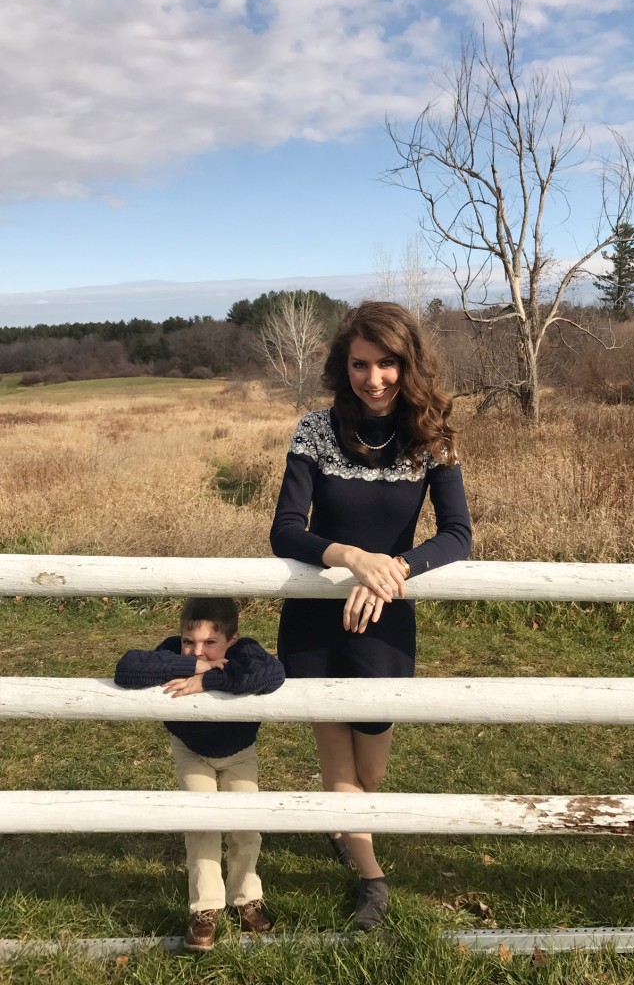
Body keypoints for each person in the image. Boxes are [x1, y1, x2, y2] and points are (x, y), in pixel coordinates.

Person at [270, 300, 472, 930]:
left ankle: (348, 828)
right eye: (361, 364)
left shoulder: (431, 435)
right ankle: (372, 880)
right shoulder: (313, 430)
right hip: (315, 618)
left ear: (407, 363)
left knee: (372, 765)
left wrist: (395, 572)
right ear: (343, 365)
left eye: (388, 363)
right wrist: (355, 558)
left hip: (385, 616)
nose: (375, 378)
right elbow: (284, 532)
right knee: (338, 763)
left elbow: (459, 535)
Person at [114, 596, 285, 952]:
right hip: (191, 751)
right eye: (189, 641)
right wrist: (191, 667)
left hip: (239, 752)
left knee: (245, 824)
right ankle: (204, 909)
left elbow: (271, 674)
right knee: (202, 823)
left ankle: (246, 897)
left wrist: (210, 682)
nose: (196, 651)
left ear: (232, 640)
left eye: (210, 644)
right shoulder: (173, 653)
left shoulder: (246, 651)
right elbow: (127, 668)